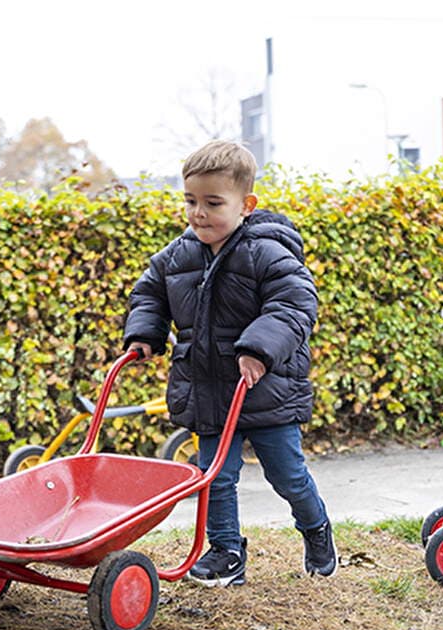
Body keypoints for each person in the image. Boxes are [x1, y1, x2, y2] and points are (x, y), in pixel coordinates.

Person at [122, 140, 336, 587]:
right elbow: (150, 292)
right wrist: (145, 333)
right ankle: (225, 552)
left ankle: (316, 530)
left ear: (246, 204)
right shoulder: (179, 254)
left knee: (288, 475)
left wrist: (258, 349)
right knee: (213, 477)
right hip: (209, 388)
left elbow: (295, 304)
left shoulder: (267, 251)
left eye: (213, 203)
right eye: (191, 201)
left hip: (265, 388)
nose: (199, 213)